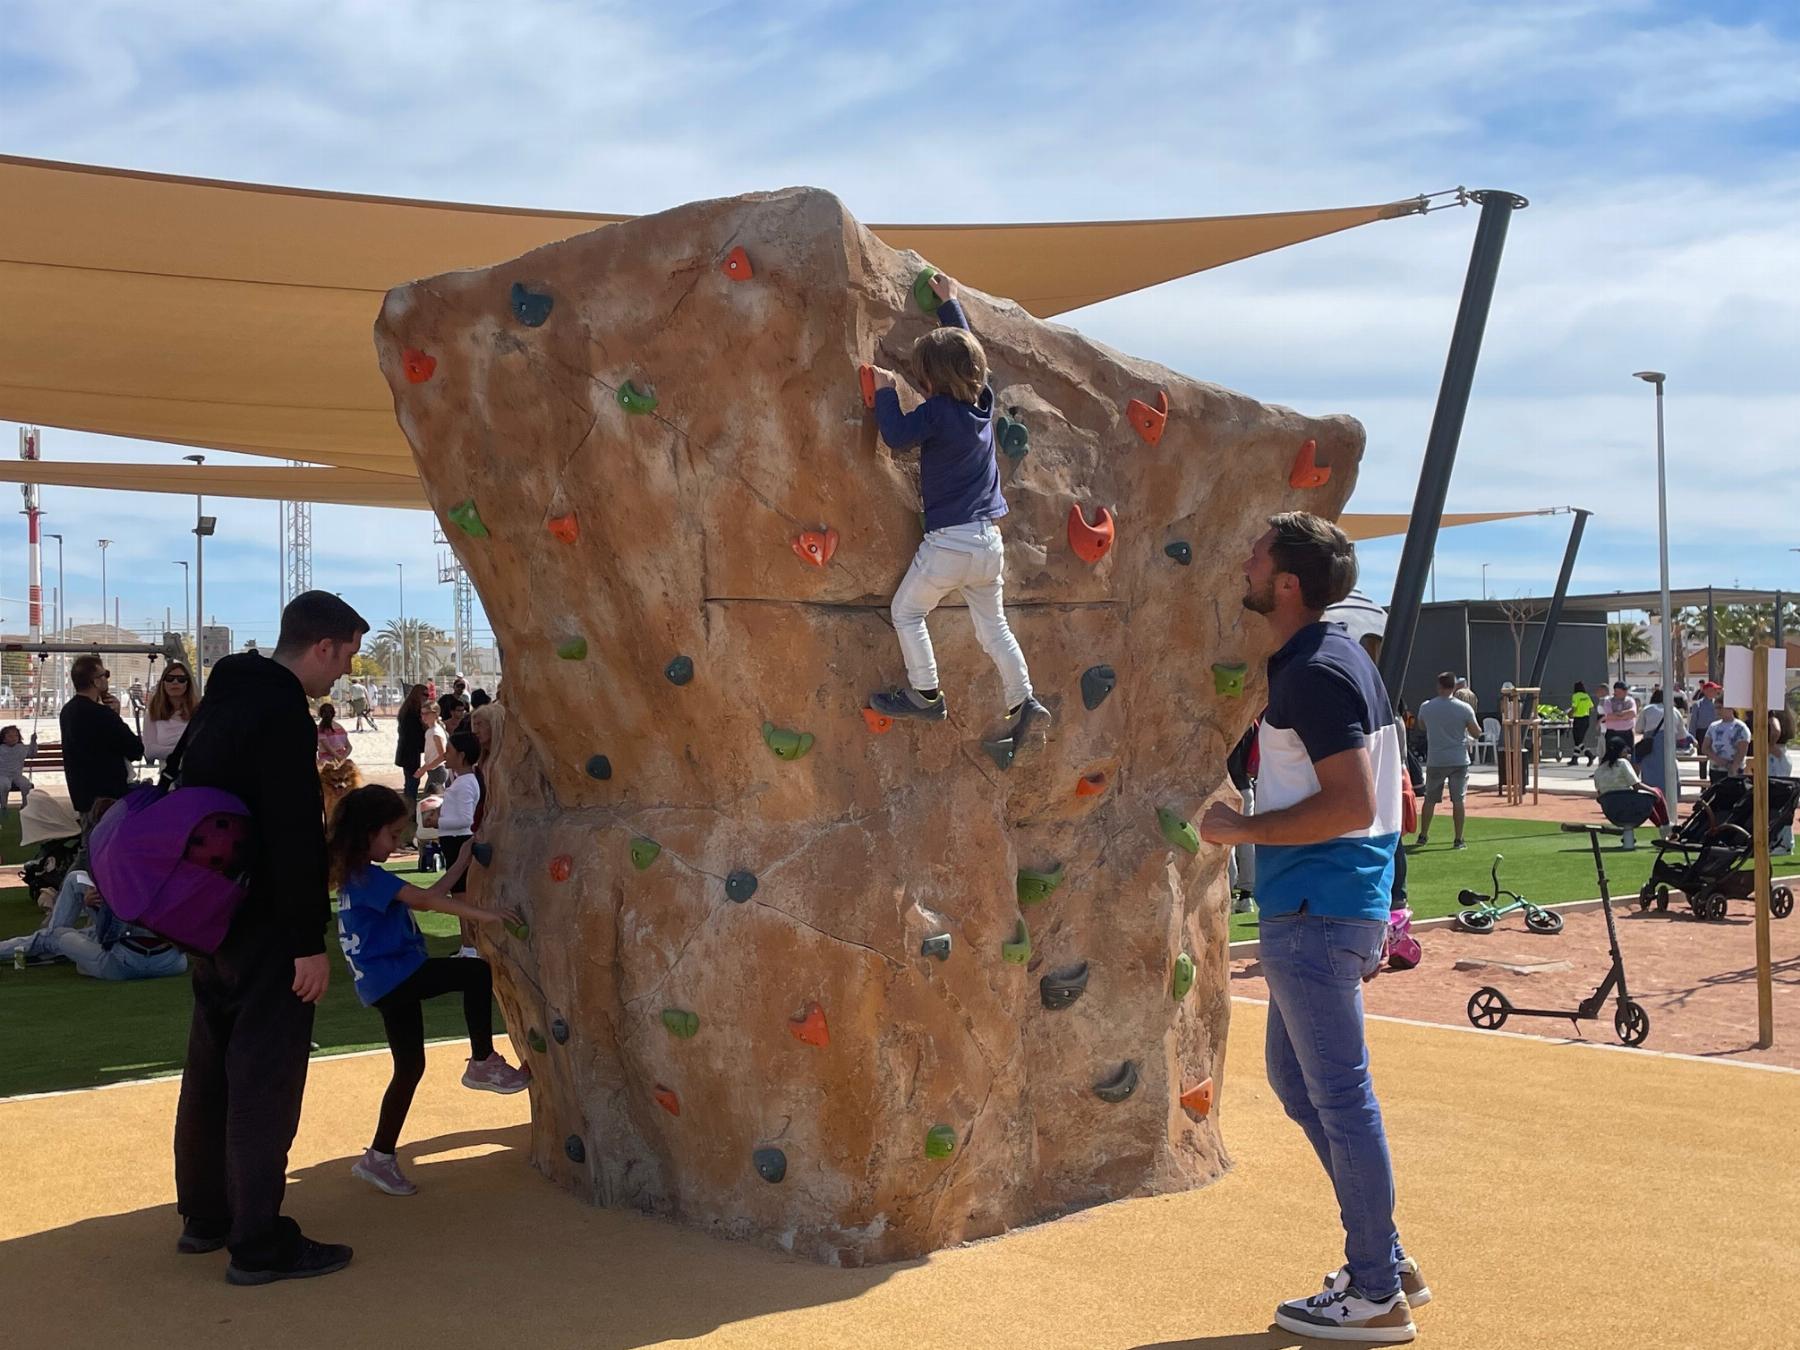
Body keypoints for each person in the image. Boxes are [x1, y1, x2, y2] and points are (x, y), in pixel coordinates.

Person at [1199, 512, 1418, 1342]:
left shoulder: (1317, 673)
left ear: (1286, 583)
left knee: (1341, 1097)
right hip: (1330, 905)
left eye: (1255, 557)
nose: (1245, 565)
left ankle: (1375, 1290)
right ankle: (1384, 1260)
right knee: (1302, 1086)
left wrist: (1237, 831)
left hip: (1315, 909)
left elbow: (1353, 802)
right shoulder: (1336, 663)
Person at [171, 590, 366, 1286]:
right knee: (264, 1082)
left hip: (207, 916)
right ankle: (259, 1241)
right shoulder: (281, 712)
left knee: (211, 1068)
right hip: (265, 928)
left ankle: (205, 1217)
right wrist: (305, 940)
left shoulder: (222, 699)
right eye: (344, 659)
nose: (342, 674)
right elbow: (290, 833)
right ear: (323, 646)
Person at [864, 271, 1050, 746]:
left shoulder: (937, 412)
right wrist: (950, 305)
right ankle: (1024, 698)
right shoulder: (982, 401)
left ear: (929, 380)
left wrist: (886, 391)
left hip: (950, 542)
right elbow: (973, 358)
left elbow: (897, 437)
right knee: (994, 627)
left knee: (907, 612)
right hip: (989, 544)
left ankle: (925, 693)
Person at [329, 784, 528, 1198]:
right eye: (392, 834)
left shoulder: (359, 877)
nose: (398, 842)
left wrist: (460, 862)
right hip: (396, 977)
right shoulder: (368, 877)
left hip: (386, 985)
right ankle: (481, 1060)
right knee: (474, 972)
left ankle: (379, 1157)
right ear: (369, 833)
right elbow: (426, 904)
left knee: (409, 1068)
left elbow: (428, 895)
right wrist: (486, 915)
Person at [0, 861, 187, 979]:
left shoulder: (120, 878)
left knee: (54, 935)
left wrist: (92, 904)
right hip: (171, 962)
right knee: (77, 888)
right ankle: (56, 950)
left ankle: (47, 949)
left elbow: (109, 932)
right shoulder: (171, 878)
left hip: (122, 962)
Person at [59, 655, 145, 818]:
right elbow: (135, 750)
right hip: (109, 797)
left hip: (83, 795)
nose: (107, 679)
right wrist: (116, 716)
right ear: (96, 681)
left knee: (91, 840)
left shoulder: (67, 711)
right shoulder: (102, 714)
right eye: (105, 674)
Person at [1414, 671, 1480, 851]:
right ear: (1454, 687)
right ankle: (1458, 839)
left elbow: (1421, 725)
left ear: (1439, 686)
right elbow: (1476, 732)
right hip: (1459, 759)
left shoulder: (1426, 706)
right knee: (1458, 800)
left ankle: (1423, 835)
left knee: (1430, 799)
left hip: (1436, 759)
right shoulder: (1464, 708)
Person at [435, 731, 484, 959]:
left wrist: (438, 821)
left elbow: (466, 819)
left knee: (462, 898)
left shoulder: (465, 784)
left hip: (458, 841)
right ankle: (467, 945)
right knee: (459, 897)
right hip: (452, 840)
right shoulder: (461, 781)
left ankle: (471, 946)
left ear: (461, 755)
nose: (445, 755)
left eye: (450, 751)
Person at [1592, 737, 1668, 848]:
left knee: (1644, 800)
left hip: (1611, 809)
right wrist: (1653, 791)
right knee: (1653, 794)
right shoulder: (1623, 763)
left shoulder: (1598, 770)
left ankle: (1662, 828)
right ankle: (1666, 828)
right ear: (1620, 750)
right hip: (1629, 805)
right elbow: (1636, 785)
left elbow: (1599, 793)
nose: (1627, 751)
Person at [143, 661, 200, 765]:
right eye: (169, 678)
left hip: (196, 772)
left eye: (181, 679)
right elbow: (149, 751)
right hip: (169, 776)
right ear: (163, 683)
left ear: (188, 683)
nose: (175, 682)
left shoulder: (199, 712)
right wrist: (185, 751)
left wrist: (164, 750)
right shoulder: (153, 713)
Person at [394, 685, 429, 809]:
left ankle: (408, 808)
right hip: (410, 752)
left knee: (410, 782)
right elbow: (414, 735)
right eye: (424, 695)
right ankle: (410, 810)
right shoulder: (412, 712)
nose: (427, 698)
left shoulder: (407, 709)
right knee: (412, 783)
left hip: (406, 751)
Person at [1704, 706, 1750, 783]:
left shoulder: (1740, 727)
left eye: (1720, 708)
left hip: (1735, 770)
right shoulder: (1713, 726)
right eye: (1716, 708)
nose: (1717, 711)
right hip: (1716, 770)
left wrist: (1733, 768)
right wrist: (1720, 761)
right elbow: (1705, 748)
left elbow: (1742, 751)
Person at [0, 724, 37, 813]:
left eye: (16, 735)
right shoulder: (1, 748)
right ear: (4, 739)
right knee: (4, 785)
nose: (13, 738)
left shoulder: (21, 748)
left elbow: (32, 754)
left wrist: (33, 741)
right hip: (2, 775)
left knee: (26, 784)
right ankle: (4, 806)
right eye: (10, 736)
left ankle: (25, 806)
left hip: (17, 775)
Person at [414, 702, 449, 793]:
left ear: (435, 714)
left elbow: (442, 756)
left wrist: (424, 768)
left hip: (438, 771)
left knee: (430, 801)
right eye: (422, 713)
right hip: (434, 771)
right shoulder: (431, 731)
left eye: (427, 713)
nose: (424, 716)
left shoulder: (435, 732)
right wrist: (424, 768)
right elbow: (432, 755)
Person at [1598, 680, 1638, 757]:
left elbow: (1632, 713)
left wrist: (1617, 714)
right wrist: (1624, 716)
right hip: (1612, 733)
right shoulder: (1608, 700)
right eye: (1618, 691)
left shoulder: (1630, 700)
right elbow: (1609, 716)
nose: (1624, 693)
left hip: (1627, 733)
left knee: (1629, 756)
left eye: (1624, 691)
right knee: (1612, 757)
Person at [1567, 681, 1595, 766]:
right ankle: (1574, 759)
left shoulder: (1575, 696)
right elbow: (1592, 708)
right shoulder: (1586, 696)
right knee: (1579, 740)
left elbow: (1574, 708)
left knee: (1578, 740)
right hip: (1586, 719)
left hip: (1578, 719)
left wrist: (1569, 714)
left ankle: (1589, 754)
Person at [1688, 680, 1720, 747]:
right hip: (1702, 734)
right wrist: (1692, 738)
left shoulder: (1718, 704)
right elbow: (1693, 722)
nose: (1715, 692)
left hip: (1716, 733)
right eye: (1713, 690)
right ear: (1705, 691)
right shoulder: (1698, 705)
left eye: (1715, 690)